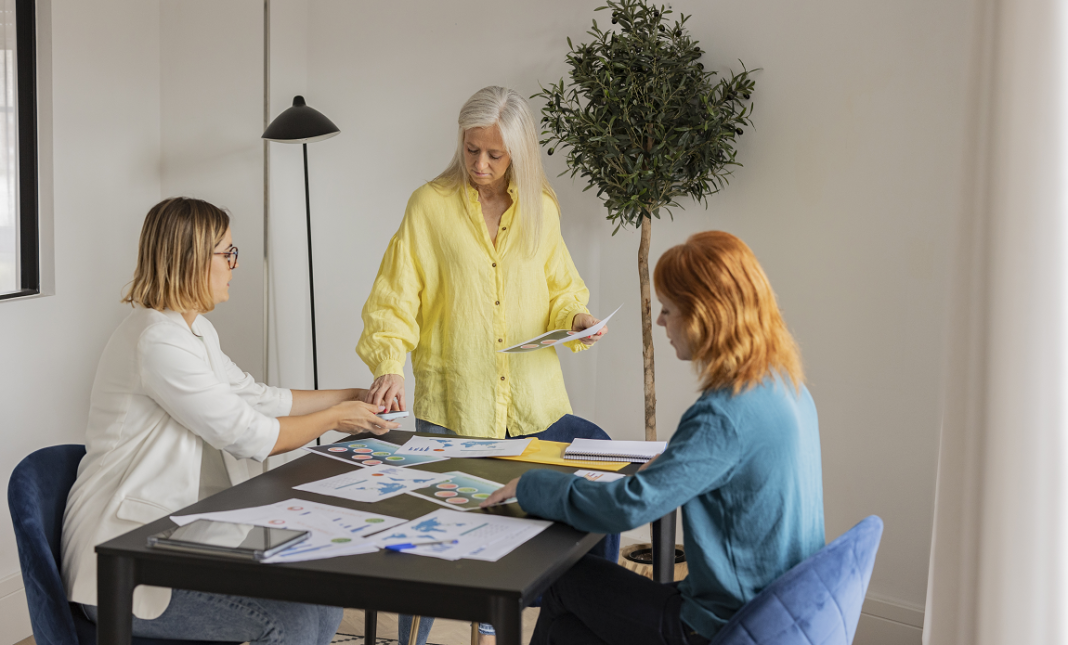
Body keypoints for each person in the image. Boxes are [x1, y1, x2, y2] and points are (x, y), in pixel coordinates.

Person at [61, 197, 401, 645]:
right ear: (191, 259)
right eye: (227, 253)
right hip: (123, 563)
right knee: (290, 625)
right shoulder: (156, 342)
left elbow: (258, 398)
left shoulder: (194, 331)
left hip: (182, 539)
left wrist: (350, 396)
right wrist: (335, 418)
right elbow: (250, 435)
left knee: (322, 601)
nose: (234, 265)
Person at [481, 231, 826, 645]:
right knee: (567, 629)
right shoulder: (785, 385)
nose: (660, 321)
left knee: (562, 581)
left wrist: (533, 486)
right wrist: (673, 464)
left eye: (667, 309)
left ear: (702, 316)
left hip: (722, 626)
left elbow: (628, 507)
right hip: (777, 614)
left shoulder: (723, 415)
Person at [356, 86, 611, 644]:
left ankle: (569, 627)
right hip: (456, 410)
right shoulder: (429, 206)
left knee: (594, 486)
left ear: (519, 152)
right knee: (428, 552)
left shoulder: (541, 209)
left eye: (495, 154)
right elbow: (395, 298)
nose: (480, 165)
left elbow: (562, 289)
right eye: (472, 150)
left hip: (534, 409)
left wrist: (577, 318)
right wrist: (389, 364)